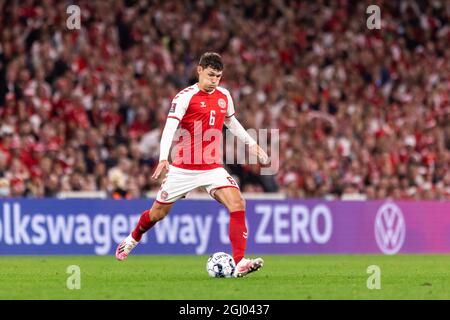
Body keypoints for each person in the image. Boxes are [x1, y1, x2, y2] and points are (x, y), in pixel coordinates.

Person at [115, 52, 269, 277]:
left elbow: (231, 122)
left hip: (212, 167)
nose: (214, 80)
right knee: (157, 214)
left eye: (218, 76)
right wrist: (163, 157)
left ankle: (240, 262)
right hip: (183, 169)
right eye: (210, 75)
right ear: (199, 70)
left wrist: (252, 144)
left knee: (238, 203)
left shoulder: (224, 96)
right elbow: (169, 127)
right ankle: (132, 238)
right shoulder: (184, 97)